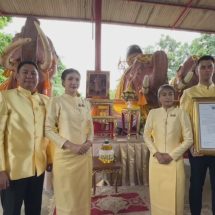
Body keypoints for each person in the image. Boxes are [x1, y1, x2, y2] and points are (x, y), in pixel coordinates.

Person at [0, 61, 52, 215]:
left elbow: (49, 132)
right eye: (25, 72)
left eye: (33, 73)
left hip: (38, 168)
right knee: (12, 211)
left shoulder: (45, 101)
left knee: (34, 210)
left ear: (38, 77)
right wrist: (1, 169)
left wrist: (49, 159)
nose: (29, 76)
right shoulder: (5, 98)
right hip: (13, 170)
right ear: (17, 76)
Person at [45, 68, 94, 215]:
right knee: (67, 195)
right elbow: (48, 129)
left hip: (84, 156)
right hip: (65, 156)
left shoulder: (85, 103)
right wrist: (70, 145)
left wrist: (88, 143)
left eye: (77, 79)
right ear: (63, 82)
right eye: (70, 79)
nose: (74, 82)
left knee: (82, 194)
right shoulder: (56, 101)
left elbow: (90, 128)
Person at [144, 84, 193, 215]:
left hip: (175, 162)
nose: (167, 97)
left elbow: (189, 139)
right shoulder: (153, 113)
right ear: (159, 98)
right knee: (158, 195)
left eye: (170, 94)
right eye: (164, 94)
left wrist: (172, 155)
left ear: (175, 96)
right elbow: (146, 136)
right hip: (156, 161)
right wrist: (156, 153)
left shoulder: (181, 113)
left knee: (175, 196)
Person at [180, 55, 215, 215]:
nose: (207, 70)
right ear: (196, 70)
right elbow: (183, 121)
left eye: (210, 66)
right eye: (203, 67)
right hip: (197, 149)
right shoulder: (188, 93)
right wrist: (191, 144)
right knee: (195, 186)